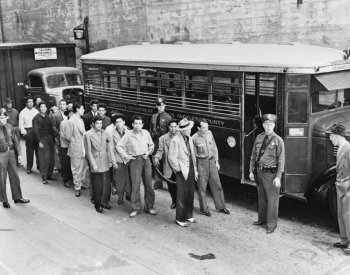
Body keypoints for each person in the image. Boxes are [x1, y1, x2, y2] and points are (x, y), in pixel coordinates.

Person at [249, 114, 285, 234]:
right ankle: (262, 219)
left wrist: (278, 177)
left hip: (271, 174)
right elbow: (253, 155)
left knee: (272, 200)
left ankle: (271, 224)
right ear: (263, 125)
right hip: (259, 171)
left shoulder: (278, 140)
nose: (268, 127)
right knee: (262, 197)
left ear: (274, 125)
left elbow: (281, 160)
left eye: (271, 125)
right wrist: (251, 171)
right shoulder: (259, 137)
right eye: (266, 125)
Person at [117, 115, 156, 218]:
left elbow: (151, 145)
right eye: (135, 123)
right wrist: (126, 156)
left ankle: (150, 207)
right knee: (135, 185)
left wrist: (148, 153)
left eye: (140, 123)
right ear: (132, 124)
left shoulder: (146, 133)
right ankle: (136, 208)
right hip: (134, 161)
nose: (137, 125)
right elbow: (119, 146)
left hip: (146, 159)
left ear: (142, 124)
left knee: (149, 184)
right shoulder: (128, 134)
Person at [192, 118, 230, 217]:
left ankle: (221, 207)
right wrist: (195, 170)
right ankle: (204, 209)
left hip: (212, 161)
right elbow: (193, 156)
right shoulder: (194, 138)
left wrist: (217, 161)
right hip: (201, 163)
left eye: (207, 126)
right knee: (202, 187)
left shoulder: (209, 133)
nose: (206, 129)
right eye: (204, 127)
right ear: (198, 128)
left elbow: (214, 147)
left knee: (217, 184)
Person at [168, 118, 198, 227]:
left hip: (190, 167)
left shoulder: (189, 138)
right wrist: (178, 169)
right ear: (182, 131)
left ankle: (188, 215)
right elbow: (171, 158)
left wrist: (195, 169)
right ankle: (180, 218)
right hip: (181, 169)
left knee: (190, 192)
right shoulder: (175, 140)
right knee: (181, 194)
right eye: (187, 130)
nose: (189, 131)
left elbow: (193, 156)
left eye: (189, 129)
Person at [326, 124, 350, 255]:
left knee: (348, 216)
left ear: (337, 135)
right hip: (340, 186)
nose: (330, 139)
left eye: (331, 136)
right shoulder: (340, 148)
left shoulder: (348, 148)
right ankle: (344, 241)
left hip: (347, 187)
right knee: (341, 215)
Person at [84, 116, 115, 213]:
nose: (99, 125)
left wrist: (111, 160)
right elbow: (88, 151)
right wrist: (93, 164)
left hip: (105, 161)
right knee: (97, 185)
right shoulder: (88, 134)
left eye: (100, 123)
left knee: (106, 184)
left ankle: (104, 202)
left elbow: (109, 148)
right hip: (96, 161)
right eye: (97, 123)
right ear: (93, 124)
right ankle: (97, 204)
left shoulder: (105, 133)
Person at [0, 108, 30, 208]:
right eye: (1, 118)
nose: (3, 120)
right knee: (2, 177)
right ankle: (4, 200)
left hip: (11, 153)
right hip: (1, 154)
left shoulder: (10, 127)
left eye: (4, 117)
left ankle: (17, 197)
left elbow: (16, 141)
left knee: (14, 175)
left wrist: (20, 154)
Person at [154, 119, 178, 209]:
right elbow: (160, 151)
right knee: (171, 186)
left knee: (180, 185)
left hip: (179, 166)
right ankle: (174, 201)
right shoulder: (163, 138)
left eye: (175, 126)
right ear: (168, 127)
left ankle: (181, 202)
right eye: (171, 126)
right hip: (168, 166)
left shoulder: (181, 136)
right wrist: (157, 157)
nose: (173, 128)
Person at [150, 98, 172, 189]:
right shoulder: (154, 116)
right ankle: (157, 182)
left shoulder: (168, 117)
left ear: (165, 106)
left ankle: (170, 183)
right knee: (156, 161)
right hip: (155, 141)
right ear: (156, 106)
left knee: (166, 161)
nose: (160, 107)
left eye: (162, 105)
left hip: (164, 141)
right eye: (158, 105)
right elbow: (151, 129)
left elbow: (170, 131)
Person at [109, 113, 131, 205]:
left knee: (129, 178)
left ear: (124, 122)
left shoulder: (129, 132)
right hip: (118, 159)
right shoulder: (111, 134)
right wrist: (113, 162)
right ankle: (120, 196)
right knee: (119, 179)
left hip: (129, 159)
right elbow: (110, 149)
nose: (118, 124)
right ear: (114, 124)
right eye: (116, 122)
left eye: (120, 122)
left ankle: (129, 194)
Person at [66, 102, 87, 197]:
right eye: (82, 108)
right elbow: (68, 136)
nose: (84, 110)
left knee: (83, 167)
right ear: (77, 109)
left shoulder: (81, 120)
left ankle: (81, 183)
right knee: (76, 168)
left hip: (82, 146)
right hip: (75, 147)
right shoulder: (71, 120)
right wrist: (75, 142)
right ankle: (77, 187)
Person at [33, 101, 55, 184]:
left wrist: (53, 139)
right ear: (39, 108)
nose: (43, 108)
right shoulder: (36, 118)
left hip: (49, 138)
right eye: (41, 107)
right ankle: (44, 176)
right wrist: (39, 142)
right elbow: (35, 131)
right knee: (44, 158)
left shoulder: (47, 116)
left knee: (51, 158)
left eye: (44, 107)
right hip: (42, 138)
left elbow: (50, 128)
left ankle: (49, 174)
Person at [19, 96, 39, 174]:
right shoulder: (22, 112)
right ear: (26, 103)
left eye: (32, 101)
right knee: (30, 151)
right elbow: (21, 126)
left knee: (38, 150)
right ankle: (29, 167)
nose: (31, 103)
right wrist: (26, 133)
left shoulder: (36, 111)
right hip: (28, 131)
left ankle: (39, 166)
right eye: (29, 102)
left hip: (36, 130)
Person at [51, 99, 68, 173]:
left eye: (64, 104)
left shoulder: (69, 114)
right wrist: (60, 133)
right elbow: (53, 127)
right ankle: (62, 170)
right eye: (61, 104)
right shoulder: (55, 115)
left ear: (66, 105)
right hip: (60, 137)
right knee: (62, 155)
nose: (62, 105)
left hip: (69, 138)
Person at [3, 98, 21, 166]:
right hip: (8, 129)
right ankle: (10, 161)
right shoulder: (5, 112)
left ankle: (18, 160)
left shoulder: (15, 111)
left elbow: (19, 119)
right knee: (9, 144)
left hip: (15, 128)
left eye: (10, 103)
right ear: (6, 104)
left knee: (17, 144)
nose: (9, 105)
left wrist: (18, 127)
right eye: (8, 104)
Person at [59, 109, 74, 188]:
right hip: (65, 146)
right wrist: (70, 142)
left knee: (73, 163)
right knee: (66, 164)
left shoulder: (75, 122)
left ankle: (72, 178)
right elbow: (62, 135)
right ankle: (66, 179)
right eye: (70, 113)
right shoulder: (63, 123)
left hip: (74, 146)